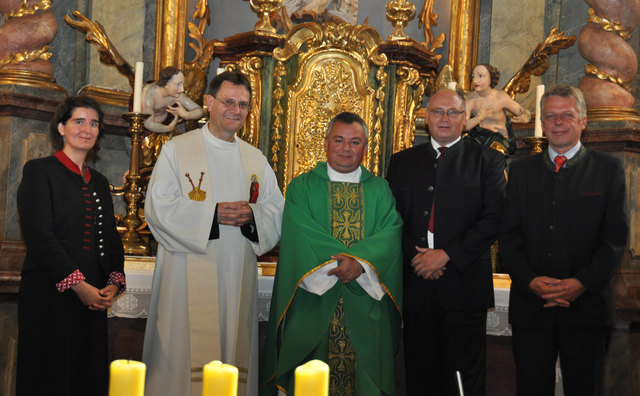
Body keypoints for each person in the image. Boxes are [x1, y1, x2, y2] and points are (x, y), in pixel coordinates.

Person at [142, 70, 284, 396]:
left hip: (237, 275)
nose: (236, 110)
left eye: (244, 104)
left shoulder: (255, 159)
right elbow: (158, 209)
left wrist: (253, 215)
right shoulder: (177, 150)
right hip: (185, 277)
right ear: (209, 102)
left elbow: (277, 211)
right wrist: (212, 215)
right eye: (229, 102)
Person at [261, 112, 403, 396]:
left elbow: (391, 232)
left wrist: (360, 265)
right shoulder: (302, 187)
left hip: (366, 306)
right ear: (326, 143)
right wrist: (343, 265)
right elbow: (300, 236)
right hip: (314, 303)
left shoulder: (380, 189)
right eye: (339, 140)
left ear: (366, 147)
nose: (346, 148)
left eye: (355, 142)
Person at [500, 84, 628, 396]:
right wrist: (531, 281)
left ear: (583, 121)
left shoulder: (608, 169)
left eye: (567, 115)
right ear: (543, 122)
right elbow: (509, 236)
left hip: (587, 308)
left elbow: (614, 240)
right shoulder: (520, 170)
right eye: (551, 116)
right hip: (532, 308)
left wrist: (579, 283)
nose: (559, 122)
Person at [386, 88, 506, 396]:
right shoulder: (402, 162)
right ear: (426, 118)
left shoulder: (488, 161)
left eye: (453, 112)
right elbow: (390, 220)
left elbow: (494, 219)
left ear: (465, 118)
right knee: (420, 377)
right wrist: (419, 259)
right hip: (417, 287)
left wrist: (446, 255)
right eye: (438, 111)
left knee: (464, 383)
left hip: (465, 288)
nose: (445, 118)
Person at [16, 96, 126, 396]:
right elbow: (40, 237)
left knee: (84, 378)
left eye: (94, 124)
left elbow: (111, 239)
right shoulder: (39, 171)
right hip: (50, 295)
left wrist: (113, 283)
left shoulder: (100, 182)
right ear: (62, 127)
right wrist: (79, 286)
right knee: (49, 377)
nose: (87, 129)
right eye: (79, 121)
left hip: (94, 297)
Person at [140, 66, 204, 165]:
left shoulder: (176, 96)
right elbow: (148, 124)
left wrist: (186, 114)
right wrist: (169, 127)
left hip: (167, 131)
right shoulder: (149, 94)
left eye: (182, 84)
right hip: (148, 132)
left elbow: (199, 111)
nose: (182, 89)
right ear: (166, 84)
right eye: (178, 84)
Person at [465, 64, 530, 155]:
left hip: (499, 139)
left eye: (480, 76)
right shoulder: (470, 100)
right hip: (477, 139)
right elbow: (463, 126)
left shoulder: (500, 97)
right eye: (473, 76)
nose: (475, 80)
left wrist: (525, 117)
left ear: (490, 79)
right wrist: (478, 118)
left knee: (493, 154)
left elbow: (523, 112)